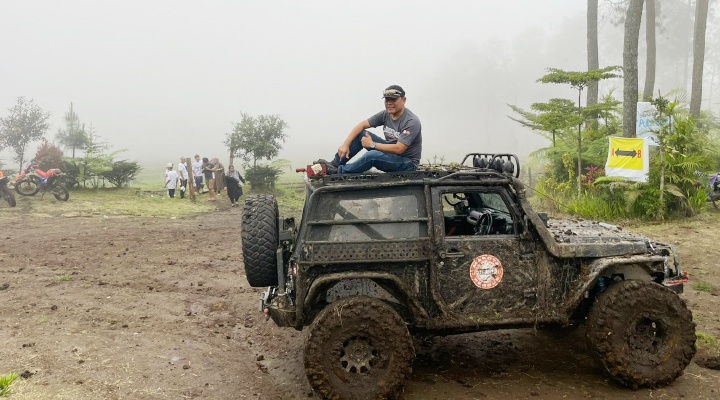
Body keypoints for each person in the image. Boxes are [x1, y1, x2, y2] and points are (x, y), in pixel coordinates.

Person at [313, 85, 422, 175]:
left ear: (404, 100)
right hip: (392, 154)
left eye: (393, 99)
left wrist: (372, 144)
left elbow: (399, 149)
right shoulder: (386, 114)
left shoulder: (411, 121)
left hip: (407, 163)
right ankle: (335, 164)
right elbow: (362, 125)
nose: (389, 103)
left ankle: (338, 172)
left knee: (372, 156)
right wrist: (345, 144)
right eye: (387, 100)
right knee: (362, 134)